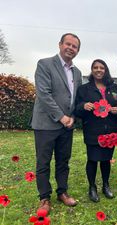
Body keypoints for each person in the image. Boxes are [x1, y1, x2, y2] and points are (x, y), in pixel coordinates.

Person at [31, 33, 82, 213]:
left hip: (67, 126)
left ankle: (63, 192)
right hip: (46, 124)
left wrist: (73, 117)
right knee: (43, 162)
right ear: (60, 44)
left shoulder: (77, 72)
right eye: (68, 44)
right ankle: (44, 198)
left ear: (77, 51)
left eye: (74, 46)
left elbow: (76, 98)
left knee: (63, 161)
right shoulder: (44, 64)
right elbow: (44, 94)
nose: (71, 48)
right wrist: (61, 117)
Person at [74, 59, 117, 202]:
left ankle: (106, 185)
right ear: (92, 70)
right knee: (92, 159)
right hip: (92, 130)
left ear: (106, 70)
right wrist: (83, 105)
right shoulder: (84, 89)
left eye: (101, 67)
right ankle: (92, 187)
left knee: (106, 160)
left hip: (110, 130)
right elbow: (76, 108)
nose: (98, 70)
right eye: (95, 67)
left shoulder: (114, 88)